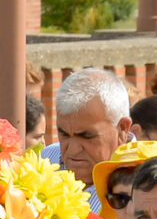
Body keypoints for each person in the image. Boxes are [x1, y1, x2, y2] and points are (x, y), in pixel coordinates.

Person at [46, 67, 133, 210]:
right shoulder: (46, 160)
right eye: (64, 134)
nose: (73, 151)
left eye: (86, 137)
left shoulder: (149, 186)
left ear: (123, 128)